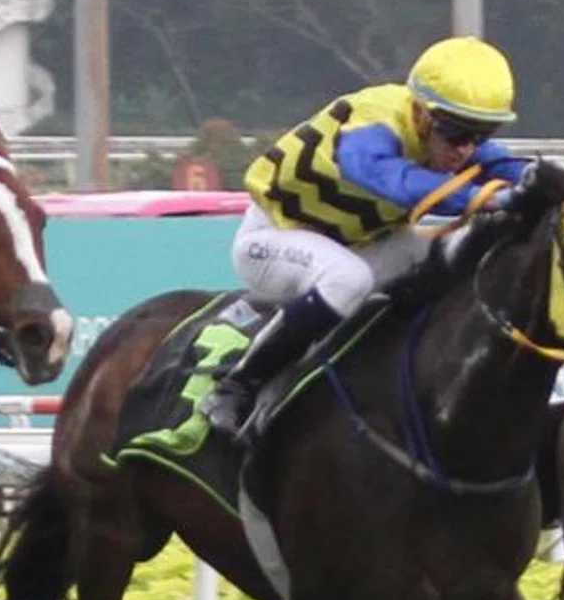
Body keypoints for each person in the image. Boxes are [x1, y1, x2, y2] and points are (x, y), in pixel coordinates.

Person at [199, 35, 535, 436]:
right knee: (347, 279)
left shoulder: (448, 133)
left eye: (480, 135)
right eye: (457, 133)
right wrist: (484, 199)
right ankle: (237, 385)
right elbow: (384, 176)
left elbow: (510, 169)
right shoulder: (375, 119)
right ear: (422, 113)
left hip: (357, 244)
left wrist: (555, 187)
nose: (466, 149)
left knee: (448, 254)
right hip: (274, 238)